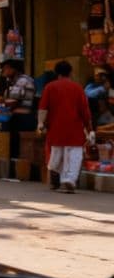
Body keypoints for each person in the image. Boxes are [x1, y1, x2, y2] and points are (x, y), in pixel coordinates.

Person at [38, 60, 94, 194]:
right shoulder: (78, 88)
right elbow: (85, 112)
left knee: (56, 155)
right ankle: (69, 180)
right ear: (70, 72)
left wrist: (40, 123)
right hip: (74, 130)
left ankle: (55, 180)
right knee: (74, 156)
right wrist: (90, 129)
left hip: (56, 129)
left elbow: (43, 108)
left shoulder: (50, 87)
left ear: (56, 73)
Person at [0, 59, 37, 160]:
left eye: (6, 68)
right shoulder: (13, 82)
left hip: (23, 118)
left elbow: (13, 101)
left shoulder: (23, 81)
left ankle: (19, 166)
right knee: (15, 144)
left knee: (19, 144)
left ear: (14, 69)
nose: (4, 71)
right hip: (17, 117)